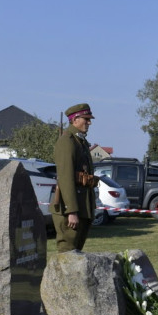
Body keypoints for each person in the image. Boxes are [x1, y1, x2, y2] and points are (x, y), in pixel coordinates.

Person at [52, 103, 98, 253]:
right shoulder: (67, 142)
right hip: (71, 210)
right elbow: (66, 178)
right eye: (86, 119)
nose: (89, 123)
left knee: (76, 254)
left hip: (82, 207)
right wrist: (71, 211)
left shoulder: (80, 142)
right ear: (75, 119)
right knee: (67, 254)